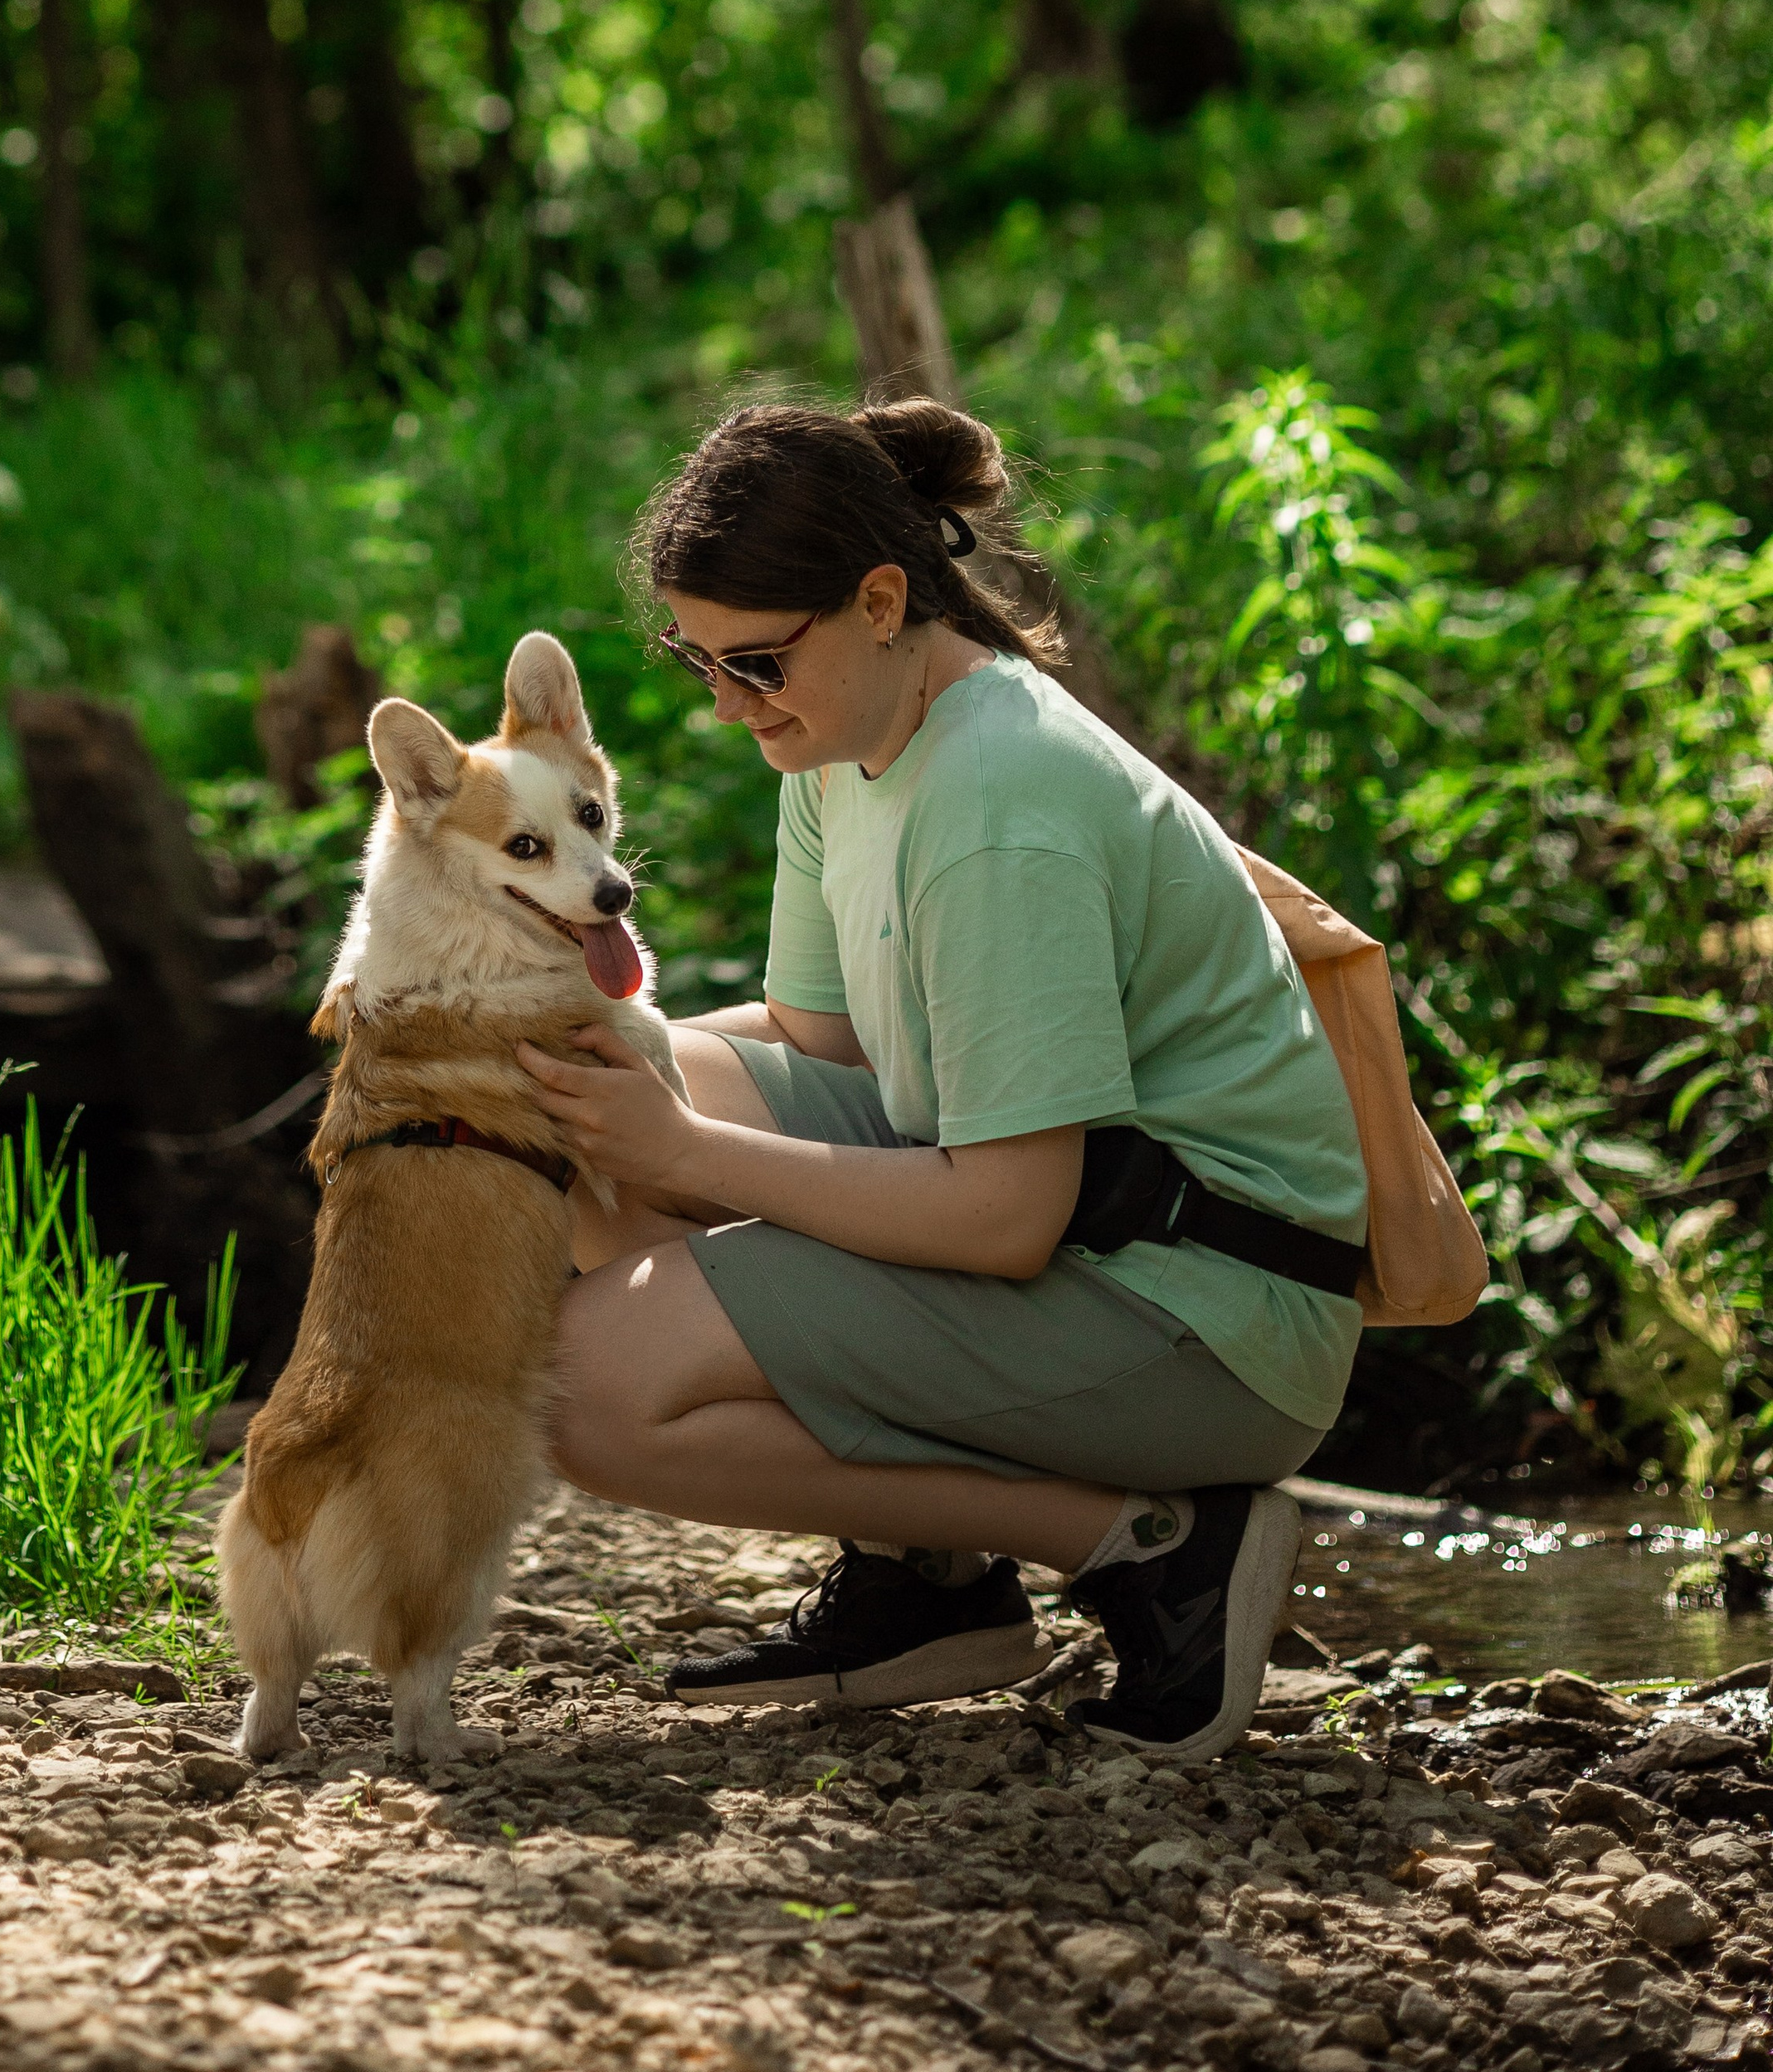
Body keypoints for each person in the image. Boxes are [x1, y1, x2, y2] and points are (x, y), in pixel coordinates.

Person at [515, 399, 1366, 1761]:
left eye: (755, 661)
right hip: (1087, 1224)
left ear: (881, 600)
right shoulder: (844, 737)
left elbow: (1006, 1215)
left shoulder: (996, 802)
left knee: (572, 1385)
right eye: (695, 658)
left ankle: (1153, 1548)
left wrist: (679, 1148)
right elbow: (820, 1034)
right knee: (583, 1114)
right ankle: (928, 1583)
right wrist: (553, 1068)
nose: (727, 702)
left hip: (1208, 1313)